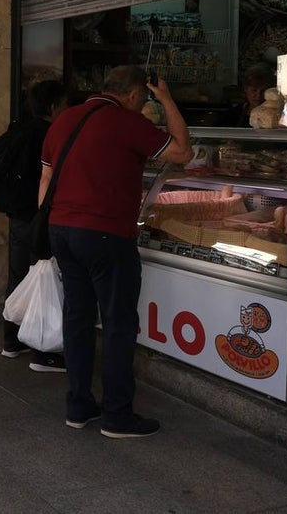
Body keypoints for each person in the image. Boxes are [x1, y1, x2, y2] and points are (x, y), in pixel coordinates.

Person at [40, 65, 192, 439]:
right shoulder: (126, 121)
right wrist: (168, 98)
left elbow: (45, 178)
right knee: (118, 324)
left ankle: (78, 406)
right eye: (144, 100)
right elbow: (183, 152)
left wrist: (53, 226)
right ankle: (117, 415)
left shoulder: (64, 120)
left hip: (62, 230)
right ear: (135, 95)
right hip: (105, 234)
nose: (143, 107)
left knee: (77, 318)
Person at [0, 80, 68, 372]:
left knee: (19, 277)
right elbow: (46, 178)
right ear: (54, 107)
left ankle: (12, 342)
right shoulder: (50, 134)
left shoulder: (18, 129)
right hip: (39, 216)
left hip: (18, 216)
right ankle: (43, 352)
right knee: (44, 279)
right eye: (65, 104)